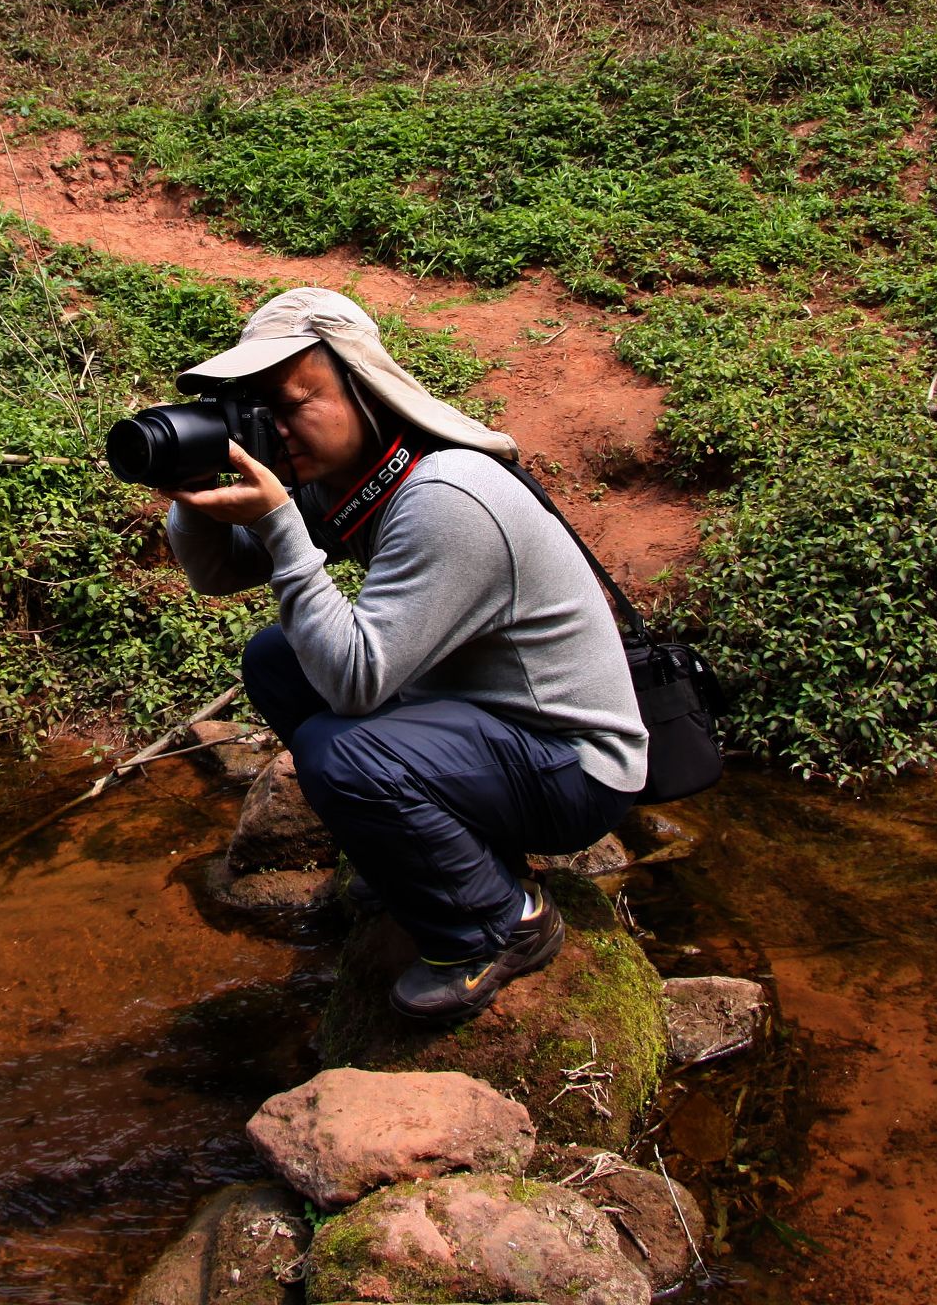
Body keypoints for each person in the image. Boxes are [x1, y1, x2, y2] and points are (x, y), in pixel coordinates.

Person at [163, 286, 649, 1023]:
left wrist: (283, 529)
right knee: (276, 658)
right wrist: (192, 488)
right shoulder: (354, 479)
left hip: (572, 767)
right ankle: (437, 859)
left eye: (291, 404)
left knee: (344, 749)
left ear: (361, 385)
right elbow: (219, 572)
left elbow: (357, 686)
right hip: (482, 733)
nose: (274, 431)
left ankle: (501, 922)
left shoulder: (445, 493)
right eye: (253, 414)